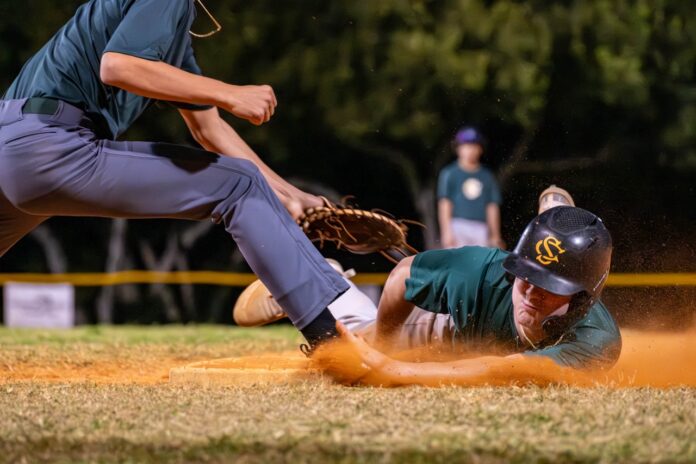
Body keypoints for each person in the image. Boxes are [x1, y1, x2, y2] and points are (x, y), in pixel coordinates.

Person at [0, 0, 349, 348]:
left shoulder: (168, 36)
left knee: (243, 183)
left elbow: (208, 130)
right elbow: (118, 66)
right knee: (238, 185)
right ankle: (332, 344)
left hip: (14, 141)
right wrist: (229, 93)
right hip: (48, 146)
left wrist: (292, 196)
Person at [235, 188, 621, 372]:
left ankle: (328, 281)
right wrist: (385, 349)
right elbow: (403, 275)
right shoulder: (483, 272)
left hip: (471, 347)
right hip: (440, 327)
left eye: (550, 288)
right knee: (348, 344)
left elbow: (498, 370)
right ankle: (314, 281)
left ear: (583, 301)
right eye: (525, 277)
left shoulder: (595, 341)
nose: (531, 294)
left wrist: (397, 373)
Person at [437, 127, 503, 249]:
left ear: (480, 149)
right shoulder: (449, 173)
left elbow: (492, 206)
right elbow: (445, 203)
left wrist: (495, 235)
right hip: (457, 225)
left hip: (481, 227)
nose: (470, 150)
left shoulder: (487, 176)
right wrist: (446, 232)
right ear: (458, 148)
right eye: (466, 146)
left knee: (479, 265)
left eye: (474, 146)